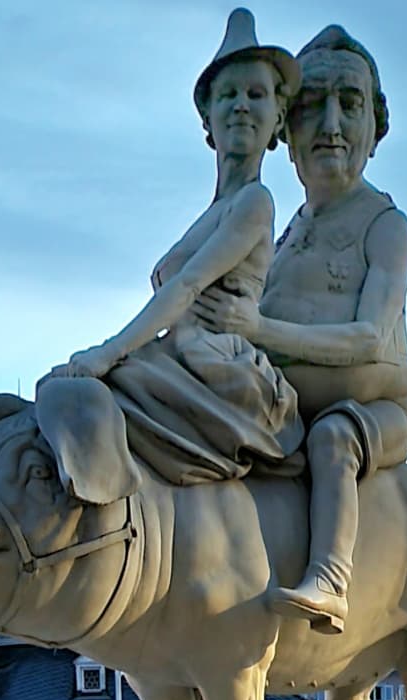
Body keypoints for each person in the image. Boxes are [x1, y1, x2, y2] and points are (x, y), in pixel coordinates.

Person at [194, 25, 407, 633]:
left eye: (350, 103)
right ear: (286, 132)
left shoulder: (385, 223)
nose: (332, 124)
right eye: (313, 105)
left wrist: (256, 328)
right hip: (285, 409)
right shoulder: (283, 230)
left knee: (333, 440)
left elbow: (370, 337)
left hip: (372, 413)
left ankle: (331, 582)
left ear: (376, 125)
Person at [43, 8, 304, 484]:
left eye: (256, 94)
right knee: (61, 393)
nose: (241, 105)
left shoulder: (254, 203)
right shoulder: (214, 211)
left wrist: (109, 351)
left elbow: (186, 286)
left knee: (74, 395)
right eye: (228, 95)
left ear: (278, 117)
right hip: (179, 358)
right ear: (208, 120)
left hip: (216, 371)